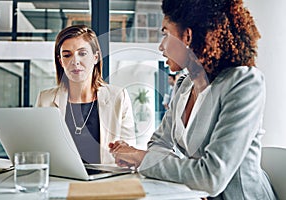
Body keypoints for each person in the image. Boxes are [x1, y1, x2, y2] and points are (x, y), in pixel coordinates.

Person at [109, 0, 277, 199]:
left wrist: (143, 159)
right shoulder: (184, 85)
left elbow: (211, 178)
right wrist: (188, 173)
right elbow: (158, 143)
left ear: (187, 37)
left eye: (165, 34)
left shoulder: (243, 82)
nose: (161, 47)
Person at [36, 25, 136, 164]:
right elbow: (38, 150)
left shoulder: (118, 97)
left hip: (105, 181)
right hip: (62, 181)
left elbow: (129, 154)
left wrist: (125, 154)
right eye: (67, 55)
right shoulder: (45, 100)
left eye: (82, 53)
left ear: (95, 58)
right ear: (61, 61)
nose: (75, 61)